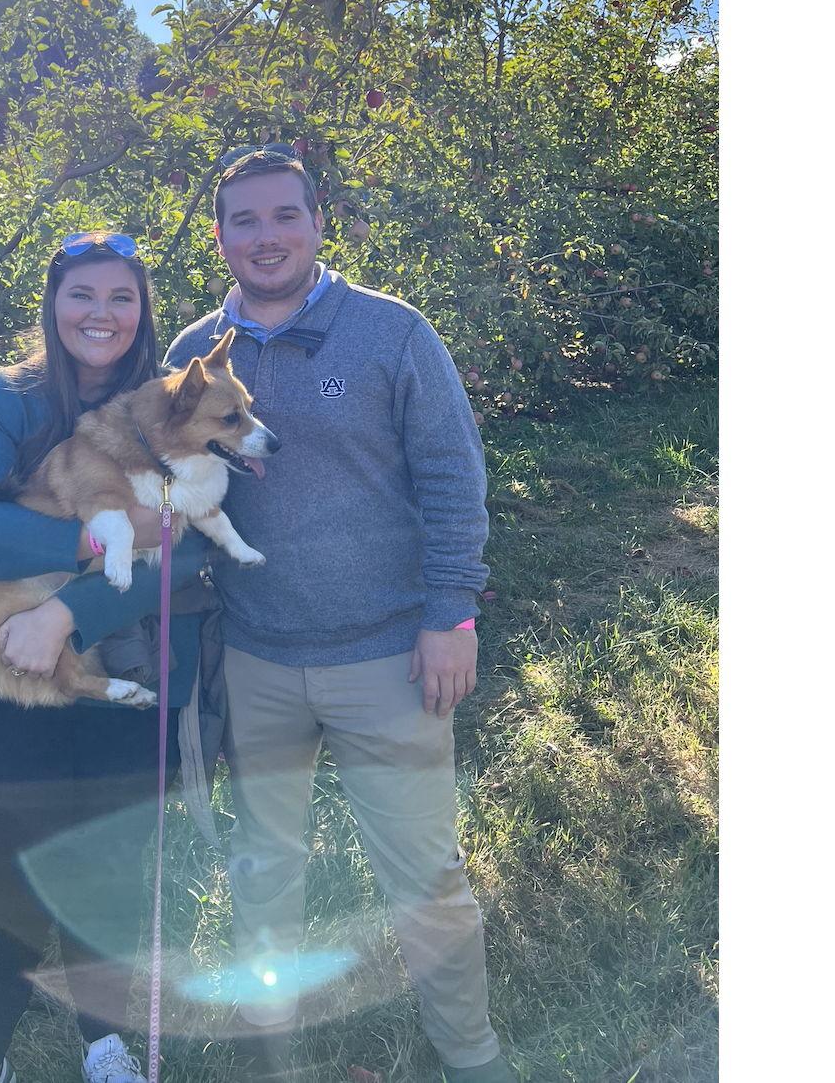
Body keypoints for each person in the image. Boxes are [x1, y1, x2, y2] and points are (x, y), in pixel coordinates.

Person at [165, 149, 518, 1083]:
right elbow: (159, 482)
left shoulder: (391, 333)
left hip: (391, 652)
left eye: (285, 215)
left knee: (426, 877)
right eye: (245, 220)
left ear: (320, 222)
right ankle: (273, 1059)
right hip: (257, 656)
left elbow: (451, 475)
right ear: (221, 237)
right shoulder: (190, 356)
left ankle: (471, 1057)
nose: (266, 236)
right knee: (265, 870)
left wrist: (453, 614)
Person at [0, 232, 224, 1083]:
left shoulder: (171, 403)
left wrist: (70, 610)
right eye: (84, 295)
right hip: (14, 667)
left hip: (140, 664)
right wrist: (95, 538)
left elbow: (187, 551)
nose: (103, 315)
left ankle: (104, 1041)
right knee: (0, 871)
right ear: (52, 304)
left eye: (123, 298)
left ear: (143, 312)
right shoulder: (1, 400)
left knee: (113, 864)